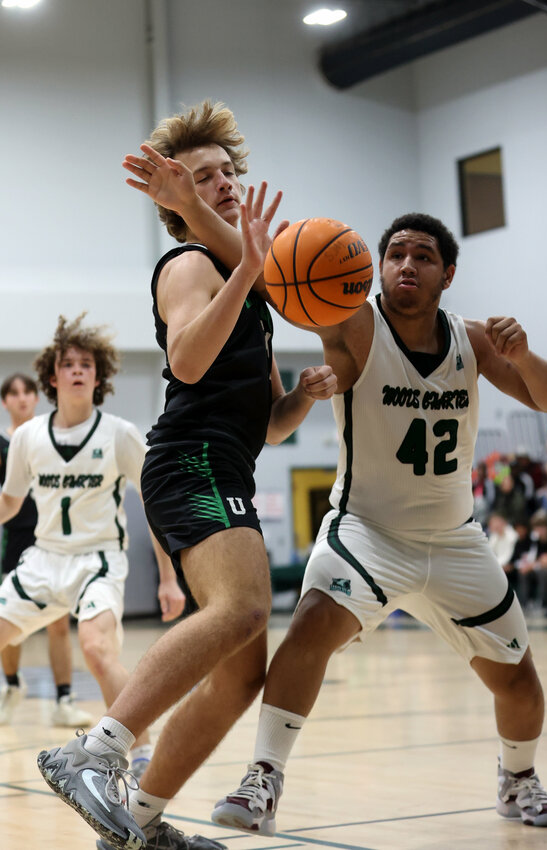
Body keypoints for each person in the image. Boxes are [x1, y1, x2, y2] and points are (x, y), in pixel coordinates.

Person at [201, 212, 547, 833]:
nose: (407, 265)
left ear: (448, 274)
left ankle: (519, 778)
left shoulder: (476, 341)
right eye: (395, 253)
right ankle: (263, 775)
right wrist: (193, 210)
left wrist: (525, 356)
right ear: (376, 266)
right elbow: (270, 271)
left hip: (456, 539)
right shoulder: (354, 322)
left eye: (423, 257)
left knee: (522, 685)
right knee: (313, 624)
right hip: (367, 529)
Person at [38, 101, 337, 850]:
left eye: (229, 171)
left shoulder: (255, 292)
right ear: (178, 202)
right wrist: (247, 273)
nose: (225, 183)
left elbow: (266, 424)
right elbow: (187, 363)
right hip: (190, 455)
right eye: (203, 177)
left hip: (226, 458)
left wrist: (300, 396)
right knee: (239, 611)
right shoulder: (190, 264)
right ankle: (93, 751)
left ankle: (134, 822)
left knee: (241, 674)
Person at [0, 315, 185, 766]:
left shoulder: (119, 434)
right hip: (43, 560)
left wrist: (168, 579)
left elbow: (152, 504)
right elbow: (8, 503)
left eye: (86, 363)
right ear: (53, 375)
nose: (78, 370)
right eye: (69, 363)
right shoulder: (27, 438)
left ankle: (140, 752)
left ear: (98, 376)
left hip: (98, 562)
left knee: (98, 650)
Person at [0, 373, 92, 727]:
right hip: (16, 538)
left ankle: (64, 700)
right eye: (14, 393)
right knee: (12, 618)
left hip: (52, 538)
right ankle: (11, 686)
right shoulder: (5, 444)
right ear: (5, 402)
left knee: (57, 622)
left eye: (27, 392)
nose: (22, 399)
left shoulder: (51, 437)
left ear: (36, 398)